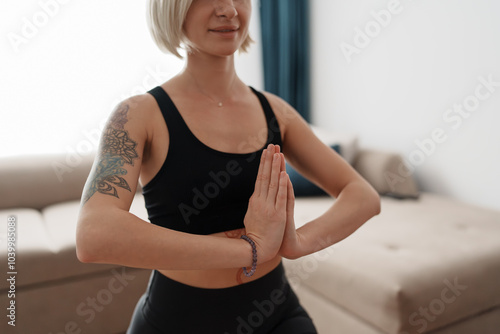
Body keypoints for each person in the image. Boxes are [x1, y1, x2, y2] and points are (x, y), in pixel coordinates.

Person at [75, 0, 381, 333]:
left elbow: (363, 195)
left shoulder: (277, 111)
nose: (230, 10)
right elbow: (94, 235)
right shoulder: (137, 115)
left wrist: (298, 243)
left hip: (276, 313)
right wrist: (249, 249)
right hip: (176, 319)